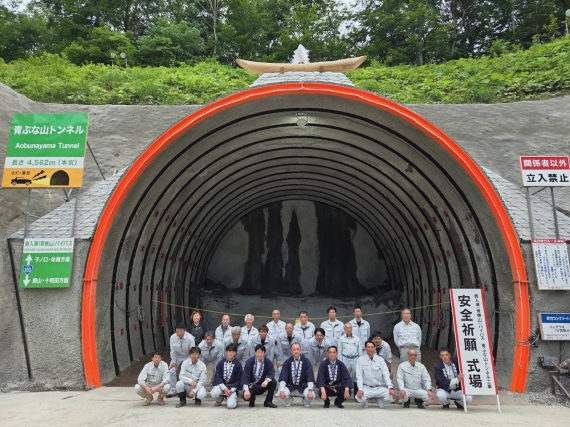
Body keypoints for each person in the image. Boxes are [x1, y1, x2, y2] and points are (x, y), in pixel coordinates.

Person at [355, 340, 396, 408]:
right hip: (367, 388)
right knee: (359, 398)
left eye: (372, 347)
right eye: (368, 347)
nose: (370, 349)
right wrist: (360, 389)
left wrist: (390, 387)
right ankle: (365, 401)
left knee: (393, 396)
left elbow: (386, 374)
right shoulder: (360, 360)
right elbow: (359, 376)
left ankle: (381, 401)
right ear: (365, 348)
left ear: (374, 348)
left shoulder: (380, 360)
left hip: (379, 388)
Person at [278, 342, 316, 407]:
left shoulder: (306, 361)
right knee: (281, 392)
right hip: (290, 387)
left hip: (303, 387)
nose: (296, 351)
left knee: (312, 395)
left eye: (298, 349)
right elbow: (283, 376)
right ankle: (288, 399)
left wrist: (310, 390)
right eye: (294, 349)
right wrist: (281, 390)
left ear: (301, 350)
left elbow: (310, 376)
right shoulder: (287, 362)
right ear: (291, 351)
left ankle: (306, 400)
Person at [211, 343, 244, 409]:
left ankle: (233, 400)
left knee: (230, 406)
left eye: (233, 351)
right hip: (222, 387)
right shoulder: (220, 363)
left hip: (232, 388)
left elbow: (238, 379)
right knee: (213, 393)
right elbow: (218, 377)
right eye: (229, 351)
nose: (231, 353)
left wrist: (231, 390)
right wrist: (224, 388)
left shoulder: (238, 364)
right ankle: (220, 399)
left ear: (235, 353)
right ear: (226, 352)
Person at [167, 323, 196, 397]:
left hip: (188, 356)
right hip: (177, 356)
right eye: (177, 331)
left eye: (181, 331)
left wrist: (191, 361)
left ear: (184, 330)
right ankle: (174, 390)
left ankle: (189, 389)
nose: (179, 333)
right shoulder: (172, 337)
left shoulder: (190, 338)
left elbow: (192, 351)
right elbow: (172, 350)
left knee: (189, 371)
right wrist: (174, 361)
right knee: (171, 371)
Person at [337, 323, 361, 392]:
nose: (348, 329)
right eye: (346, 328)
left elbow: (359, 350)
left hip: (355, 359)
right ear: (344, 329)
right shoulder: (341, 339)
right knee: (345, 375)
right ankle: (346, 390)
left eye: (349, 328)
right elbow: (340, 350)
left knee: (355, 374)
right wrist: (340, 362)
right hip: (345, 359)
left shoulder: (357, 338)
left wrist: (360, 360)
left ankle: (354, 390)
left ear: (352, 329)